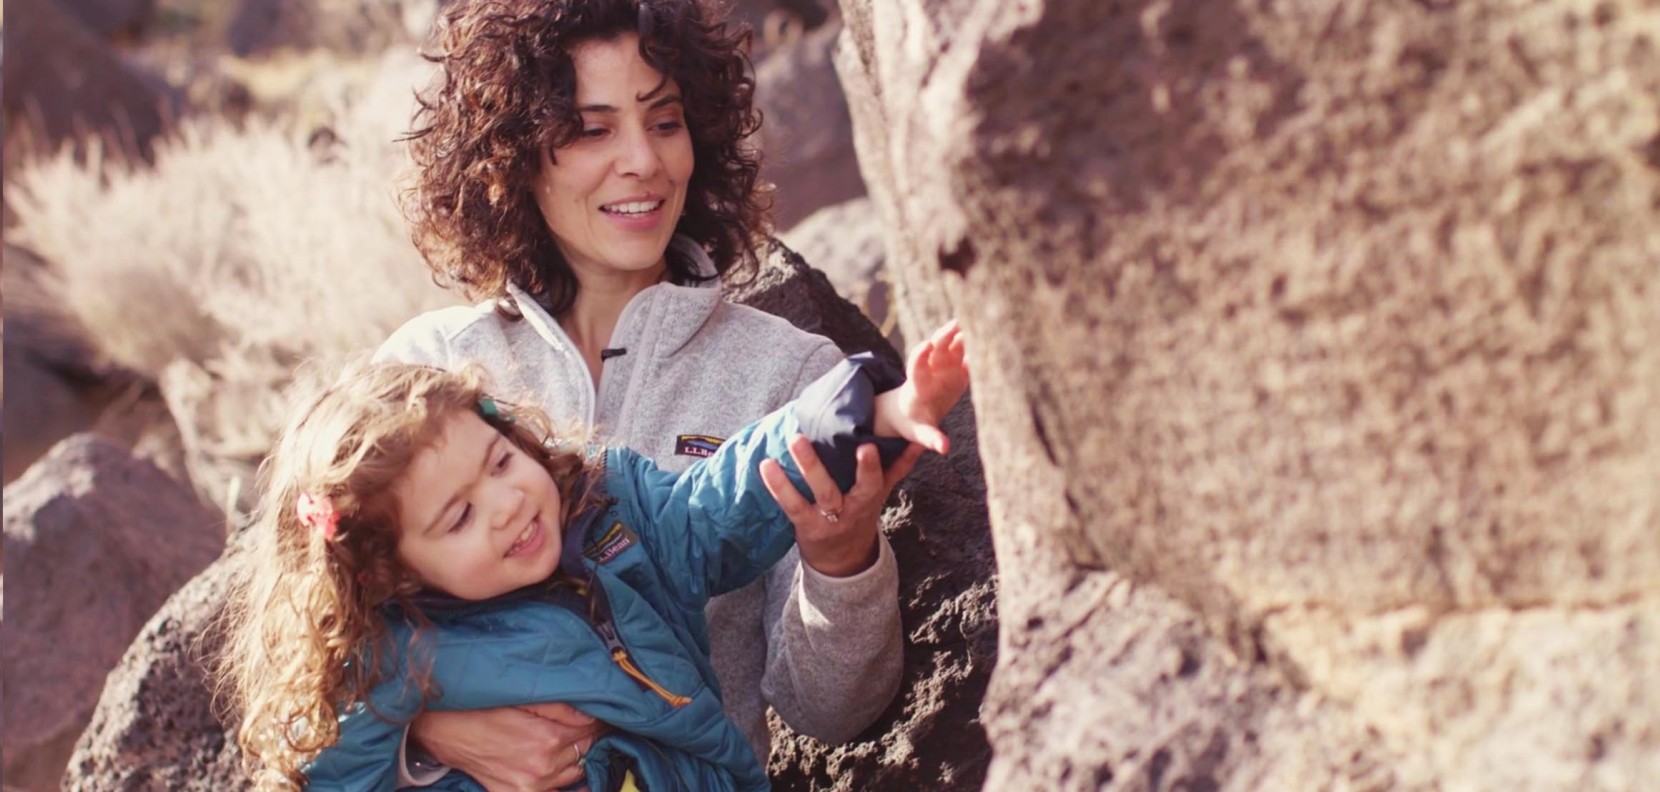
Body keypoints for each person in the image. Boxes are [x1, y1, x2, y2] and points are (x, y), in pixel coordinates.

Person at [375, 0, 917, 787]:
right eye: (593, 129)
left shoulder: (792, 376)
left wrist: (843, 564)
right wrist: (430, 731)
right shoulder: (427, 368)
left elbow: (828, 712)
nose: (643, 161)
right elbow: (310, 647)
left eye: (664, 122)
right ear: (514, 155)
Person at [219, 324, 969, 792]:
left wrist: (872, 415)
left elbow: (730, 492)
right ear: (394, 572)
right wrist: (414, 734)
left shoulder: (617, 513)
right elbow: (313, 765)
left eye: (501, 464)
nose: (508, 503)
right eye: (460, 516)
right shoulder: (387, 665)